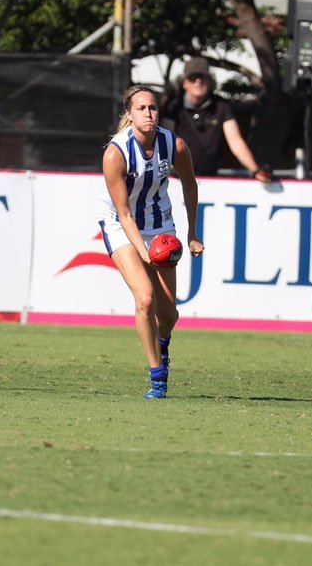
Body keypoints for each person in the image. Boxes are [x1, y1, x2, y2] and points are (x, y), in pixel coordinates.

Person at [100, 85, 204, 398]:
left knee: (169, 316)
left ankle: (163, 345)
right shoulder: (115, 154)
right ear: (129, 114)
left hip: (160, 226)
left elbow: (190, 186)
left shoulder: (174, 144)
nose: (149, 113)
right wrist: (144, 254)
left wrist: (193, 234)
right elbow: (124, 213)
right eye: (141, 108)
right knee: (145, 299)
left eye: (153, 107)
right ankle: (158, 377)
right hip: (121, 225)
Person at [160, 57, 272, 183]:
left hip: (210, 179)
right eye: (193, 78)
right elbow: (164, 141)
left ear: (210, 81)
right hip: (177, 180)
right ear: (184, 83)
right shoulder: (174, 107)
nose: (198, 81)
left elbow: (235, 141)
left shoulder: (221, 106)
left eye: (202, 77)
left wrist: (256, 170)